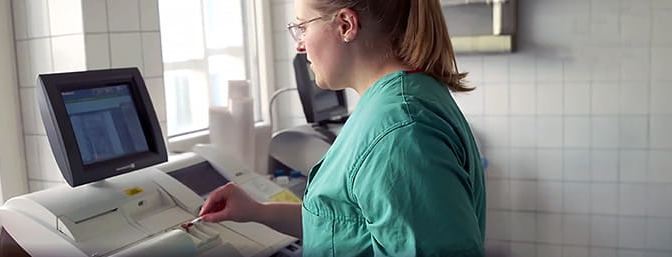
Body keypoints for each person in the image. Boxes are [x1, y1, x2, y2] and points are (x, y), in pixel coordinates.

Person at [198, 0, 485, 256]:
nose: (299, 45)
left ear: (346, 25)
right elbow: (348, 226)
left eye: (302, 27)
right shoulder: (393, 102)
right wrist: (258, 212)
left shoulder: (399, 132)